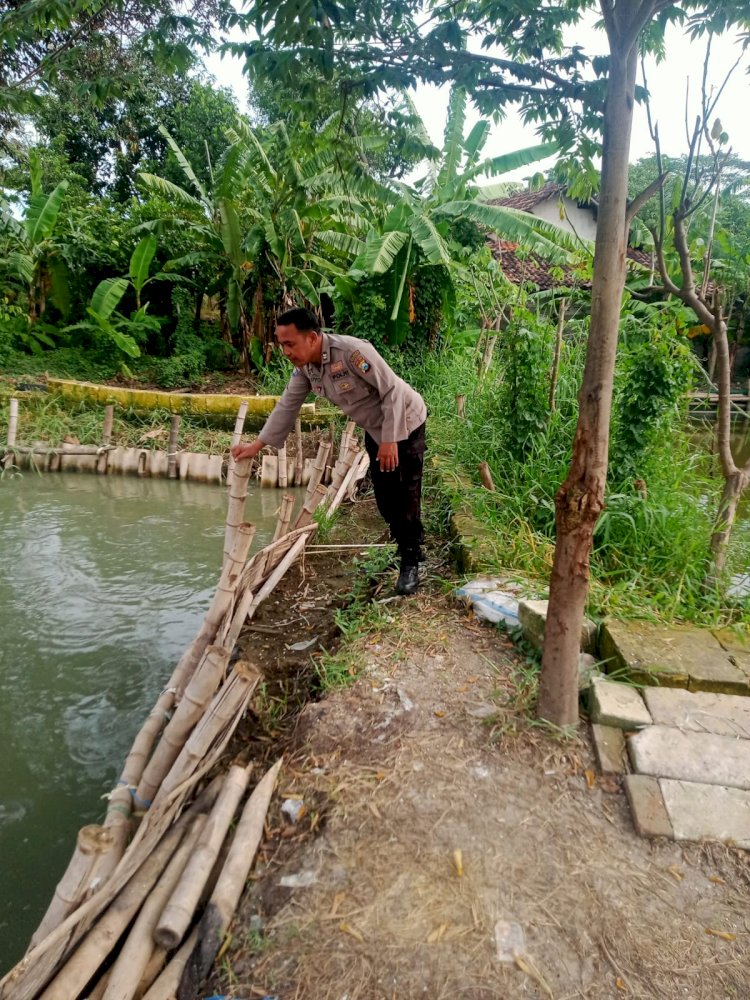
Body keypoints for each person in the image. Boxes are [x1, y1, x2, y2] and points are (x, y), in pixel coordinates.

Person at [231, 307, 427, 595]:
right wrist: (256, 446)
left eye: (290, 343)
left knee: (405, 492)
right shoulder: (307, 368)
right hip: (376, 430)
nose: (286, 352)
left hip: (405, 423)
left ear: (312, 338)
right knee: (385, 499)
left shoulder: (352, 352)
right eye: (282, 344)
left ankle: (411, 560)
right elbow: (287, 405)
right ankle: (407, 545)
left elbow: (392, 390)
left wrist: (391, 440)